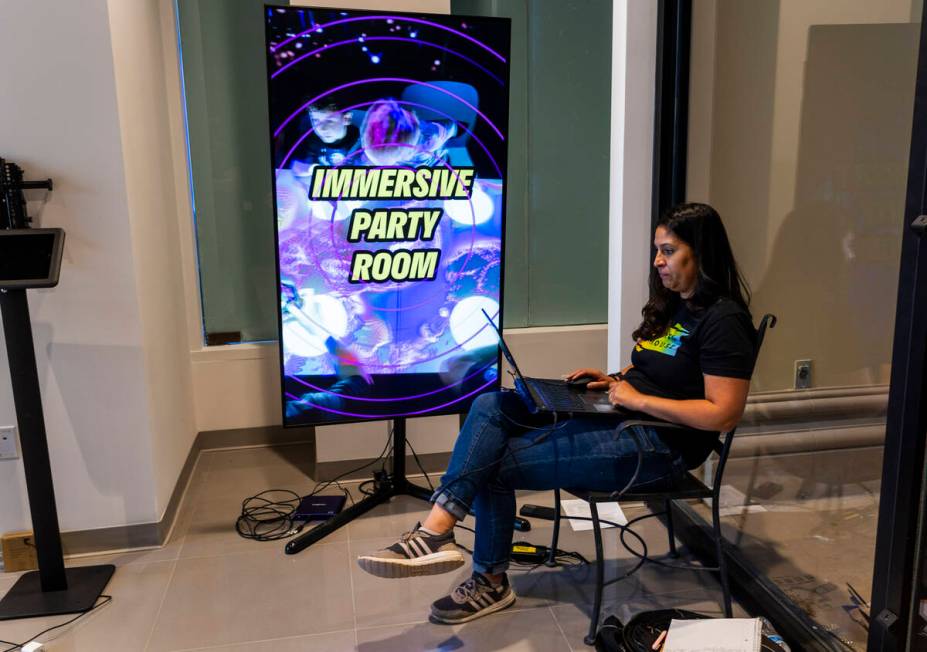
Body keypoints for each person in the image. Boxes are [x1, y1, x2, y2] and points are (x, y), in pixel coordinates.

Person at [356, 203, 758, 624]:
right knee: (491, 405)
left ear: (702, 253)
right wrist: (613, 378)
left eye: (669, 250)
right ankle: (437, 528)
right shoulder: (678, 301)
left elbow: (722, 414)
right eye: (657, 249)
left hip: (659, 447)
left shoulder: (723, 320)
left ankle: (483, 576)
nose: (658, 260)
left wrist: (635, 399)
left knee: (492, 465)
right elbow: (660, 369)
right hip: (624, 416)